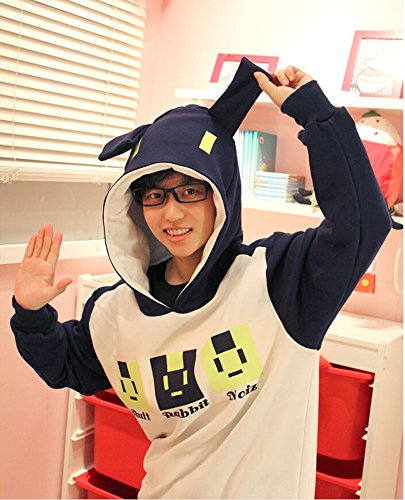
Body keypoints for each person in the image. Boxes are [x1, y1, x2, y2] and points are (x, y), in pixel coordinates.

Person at [10, 58, 391, 499]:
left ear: (220, 193)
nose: (171, 213)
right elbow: (68, 366)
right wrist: (31, 314)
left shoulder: (278, 282)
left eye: (190, 190)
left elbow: (362, 223)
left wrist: (315, 113)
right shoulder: (115, 310)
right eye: (155, 195)